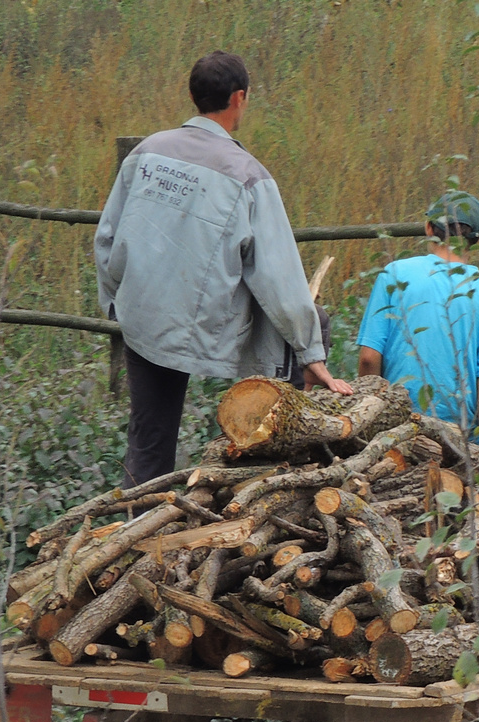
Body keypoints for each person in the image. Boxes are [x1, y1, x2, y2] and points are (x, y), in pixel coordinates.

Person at [94, 50, 351, 485]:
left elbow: (106, 240)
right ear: (239, 98)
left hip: (147, 318)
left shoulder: (146, 153)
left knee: (150, 442)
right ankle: (266, 473)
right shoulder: (248, 175)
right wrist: (310, 352)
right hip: (211, 325)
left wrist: (117, 303)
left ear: (194, 96)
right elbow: (278, 279)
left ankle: (134, 528)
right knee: (306, 330)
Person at [355, 191, 479, 459]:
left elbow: (369, 358)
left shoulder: (394, 274)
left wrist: (368, 421)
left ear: (429, 228)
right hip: (460, 442)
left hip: (395, 434)